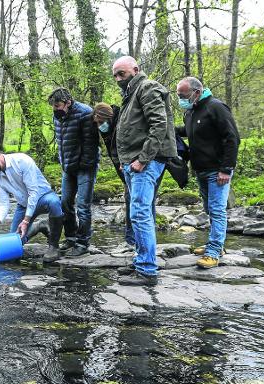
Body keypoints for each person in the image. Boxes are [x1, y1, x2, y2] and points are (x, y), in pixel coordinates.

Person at [112, 56, 178, 286]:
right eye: (116, 75)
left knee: (139, 214)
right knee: (139, 213)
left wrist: (142, 159)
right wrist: (124, 160)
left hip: (146, 162)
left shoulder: (146, 87)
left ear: (135, 69)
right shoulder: (130, 93)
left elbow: (159, 125)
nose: (118, 78)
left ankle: (147, 271)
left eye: (122, 73)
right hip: (133, 162)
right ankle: (142, 261)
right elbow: (131, 130)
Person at [176, 77, 240, 269]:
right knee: (209, 209)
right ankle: (216, 245)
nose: (180, 99)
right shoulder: (190, 111)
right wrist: (169, 129)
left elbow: (232, 138)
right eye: (179, 95)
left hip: (218, 170)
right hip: (200, 170)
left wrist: (226, 169)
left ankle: (213, 252)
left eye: (183, 95)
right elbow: (189, 131)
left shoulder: (216, 107)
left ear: (196, 92)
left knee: (218, 210)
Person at [95, 103, 165, 250]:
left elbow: (132, 141)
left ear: (108, 117)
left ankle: (141, 244)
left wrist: (130, 161)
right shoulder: (107, 129)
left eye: (101, 123)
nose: (100, 126)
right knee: (131, 201)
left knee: (142, 203)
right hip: (126, 166)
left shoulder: (122, 121)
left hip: (139, 164)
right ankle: (131, 240)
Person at [0, 146, 63, 261]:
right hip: (23, 204)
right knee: (14, 243)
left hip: (42, 197)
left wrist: (26, 221)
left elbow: (33, 192)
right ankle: (39, 226)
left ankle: (54, 246)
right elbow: (3, 202)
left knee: (55, 202)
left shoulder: (22, 161)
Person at [48, 88, 99, 257]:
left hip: (85, 168)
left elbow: (90, 145)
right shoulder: (57, 116)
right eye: (53, 106)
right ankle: (70, 237)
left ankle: (83, 243)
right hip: (67, 167)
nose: (55, 109)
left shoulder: (85, 113)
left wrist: (82, 165)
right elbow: (61, 142)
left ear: (68, 102)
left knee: (83, 206)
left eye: (58, 105)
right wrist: (64, 163)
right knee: (65, 204)